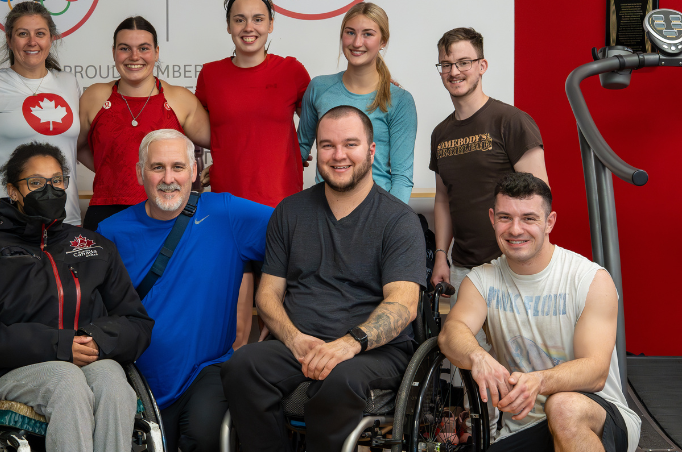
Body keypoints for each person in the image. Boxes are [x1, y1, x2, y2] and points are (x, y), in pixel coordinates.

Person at [222, 106, 426, 452]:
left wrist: (348, 344)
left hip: (373, 352)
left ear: (371, 150)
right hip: (301, 344)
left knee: (339, 379)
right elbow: (268, 295)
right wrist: (294, 338)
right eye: (328, 145)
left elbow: (403, 305)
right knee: (242, 366)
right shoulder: (290, 212)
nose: (339, 155)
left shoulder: (398, 220)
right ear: (316, 151)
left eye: (350, 144)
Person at [0, 142, 153, 452]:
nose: (50, 190)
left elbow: (137, 323)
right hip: (7, 371)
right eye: (36, 183)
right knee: (65, 378)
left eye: (57, 181)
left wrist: (95, 339)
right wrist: (57, 344)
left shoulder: (94, 246)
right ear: (13, 190)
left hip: (87, 362)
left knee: (112, 379)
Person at [98, 129, 273, 452]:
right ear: (140, 173)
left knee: (205, 437)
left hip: (205, 372)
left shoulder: (227, 213)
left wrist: (278, 315)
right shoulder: (111, 232)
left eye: (178, 167)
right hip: (134, 378)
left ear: (194, 171)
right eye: (157, 167)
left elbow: (296, 238)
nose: (168, 178)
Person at [439, 172, 640, 452]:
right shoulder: (481, 280)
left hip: (599, 415)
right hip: (524, 427)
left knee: (563, 406)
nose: (515, 229)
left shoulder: (589, 279)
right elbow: (451, 332)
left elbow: (595, 372)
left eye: (529, 218)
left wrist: (540, 381)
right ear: (492, 219)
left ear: (549, 222)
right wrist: (477, 356)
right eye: (505, 217)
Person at [195, 0, 311, 349]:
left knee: (286, 321)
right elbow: (197, 132)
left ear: (271, 24)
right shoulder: (210, 75)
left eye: (258, 19)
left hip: (283, 211)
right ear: (229, 26)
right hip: (228, 214)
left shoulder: (291, 70)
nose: (249, 27)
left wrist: (380, 86)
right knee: (235, 326)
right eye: (239, 19)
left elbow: (325, 117)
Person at [429, 28, 548, 298]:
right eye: (446, 64)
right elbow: (443, 200)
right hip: (462, 268)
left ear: (481, 66)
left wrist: (531, 263)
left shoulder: (511, 121)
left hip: (511, 265)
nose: (454, 71)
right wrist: (440, 257)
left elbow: (539, 197)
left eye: (463, 63)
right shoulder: (440, 133)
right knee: (461, 340)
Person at [78, 16, 210, 230]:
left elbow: (221, 142)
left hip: (165, 213)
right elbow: (76, 146)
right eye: (125, 48)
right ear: (113, 52)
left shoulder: (179, 99)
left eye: (143, 48)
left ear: (156, 52)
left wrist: (219, 169)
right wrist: (109, 169)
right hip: (105, 212)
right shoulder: (95, 97)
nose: (134, 56)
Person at [0, 1, 83, 224]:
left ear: (52, 38)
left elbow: (80, 148)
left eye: (40, 34)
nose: (32, 42)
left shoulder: (70, 84)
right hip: (6, 221)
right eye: (23, 33)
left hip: (64, 219)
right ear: (9, 39)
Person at [297, 2, 417, 203]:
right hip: (323, 209)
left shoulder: (400, 100)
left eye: (368, 34)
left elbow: (402, 177)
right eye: (350, 32)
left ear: (383, 41)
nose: (357, 42)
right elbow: (298, 152)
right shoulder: (318, 88)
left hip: (376, 210)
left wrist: (391, 223)